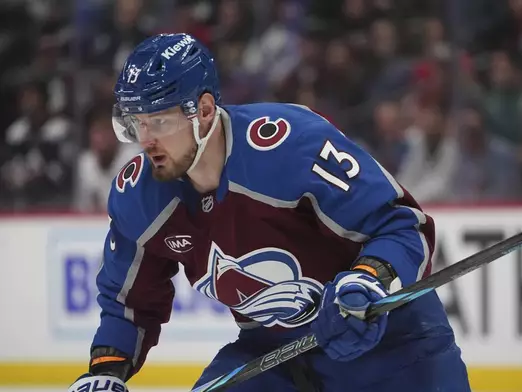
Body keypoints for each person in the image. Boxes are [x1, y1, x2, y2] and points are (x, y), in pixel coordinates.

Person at [67, 33, 471, 392]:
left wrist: (367, 280)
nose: (146, 140)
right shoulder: (141, 196)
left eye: (158, 120)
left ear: (204, 110)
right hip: (276, 358)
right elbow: (128, 300)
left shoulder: (290, 147)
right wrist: (107, 368)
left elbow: (402, 225)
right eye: (137, 124)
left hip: (390, 343)